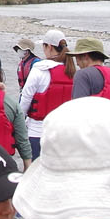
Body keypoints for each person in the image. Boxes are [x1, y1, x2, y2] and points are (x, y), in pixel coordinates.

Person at [17, 30, 74, 160]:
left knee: (35, 174)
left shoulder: (40, 69)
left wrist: (18, 126)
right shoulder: (71, 71)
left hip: (38, 132)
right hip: (62, 135)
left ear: (48, 47)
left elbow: (25, 99)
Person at [66, 39, 110, 110]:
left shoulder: (83, 75)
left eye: (76, 58)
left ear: (85, 56)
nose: (77, 63)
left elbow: (77, 108)